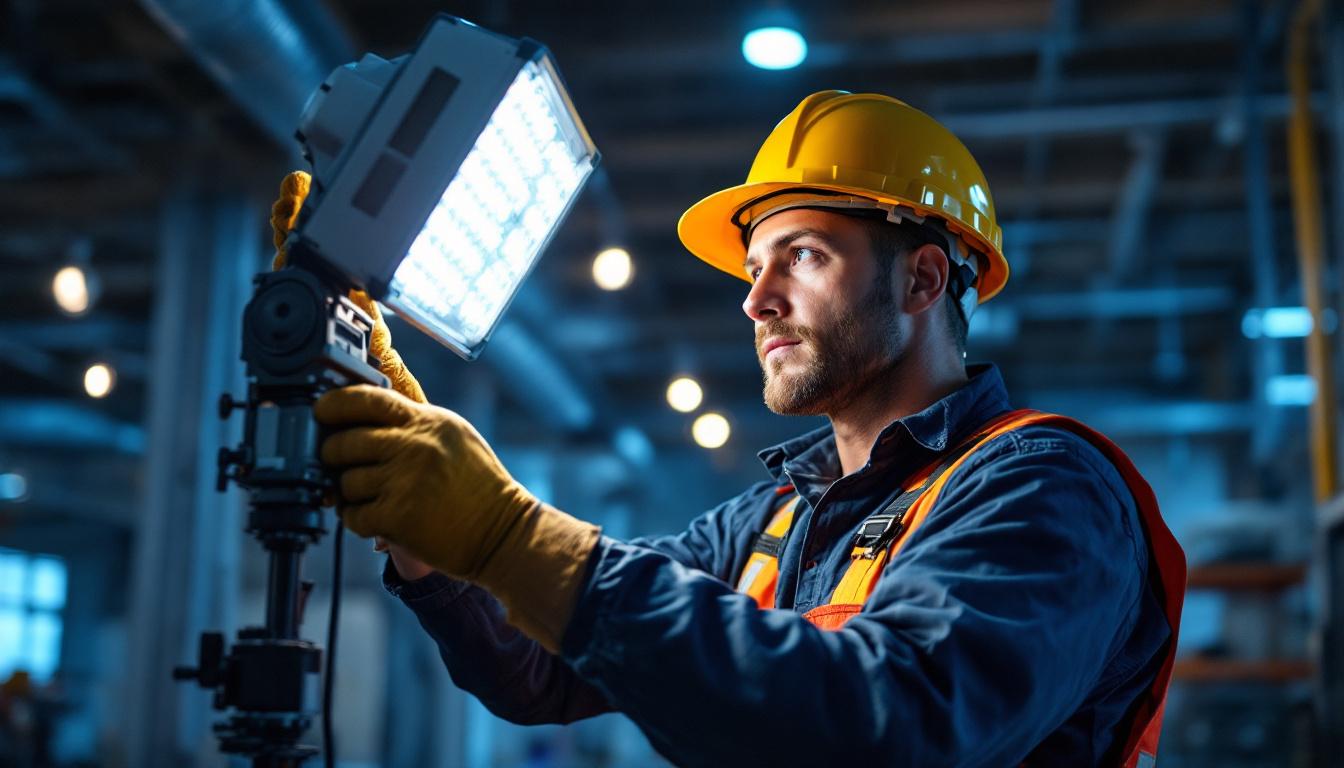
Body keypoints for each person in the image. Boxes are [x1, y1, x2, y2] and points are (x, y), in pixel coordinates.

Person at [272, 91, 1185, 767]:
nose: (757, 301)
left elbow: (897, 724)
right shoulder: (777, 520)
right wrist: (422, 523)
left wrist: (510, 533)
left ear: (923, 282)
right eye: (753, 268)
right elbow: (539, 670)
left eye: (805, 256)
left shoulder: (1041, 488)